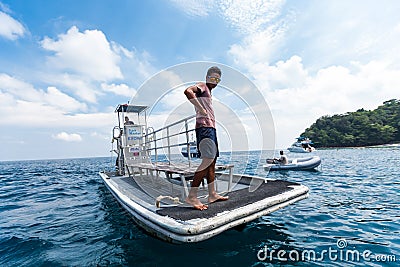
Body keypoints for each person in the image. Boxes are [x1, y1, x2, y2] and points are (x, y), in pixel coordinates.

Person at [183, 66, 228, 210]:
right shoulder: (202, 86)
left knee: (212, 161)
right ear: (207, 77)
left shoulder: (209, 92)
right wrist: (200, 109)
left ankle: (212, 194)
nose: (215, 81)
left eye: (217, 79)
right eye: (212, 78)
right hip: (204, 128)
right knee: (207, 159)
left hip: (211, 128)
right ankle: (192, 196)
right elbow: (188, 91)